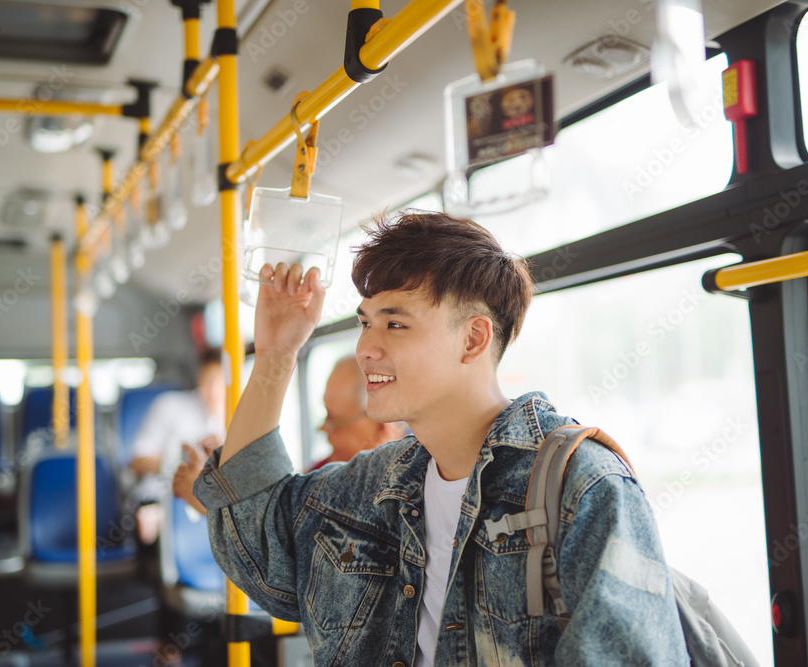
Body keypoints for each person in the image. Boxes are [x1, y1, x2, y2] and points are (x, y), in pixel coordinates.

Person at [193, 211, 688, 665]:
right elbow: (253, 532)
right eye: (366, 322)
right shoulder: (377, 483)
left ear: (473, 339)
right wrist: (277, 355)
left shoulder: (582, 488)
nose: (366, 346)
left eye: (395, 323)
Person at [172, 355, 405, 512]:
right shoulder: (327, 468)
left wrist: (210, 503)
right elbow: (285, 507)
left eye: (334, 421)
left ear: (380, 422)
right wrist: (234, 465)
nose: (322, 429)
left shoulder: (382, 495)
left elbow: (286, 549)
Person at [129, 347, 225, 544]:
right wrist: (183, 465)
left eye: (221, 383)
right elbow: (137, 462)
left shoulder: (239, 421)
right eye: (208, 382)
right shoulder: (169, 406)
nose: (213, 392)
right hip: (162, 497)